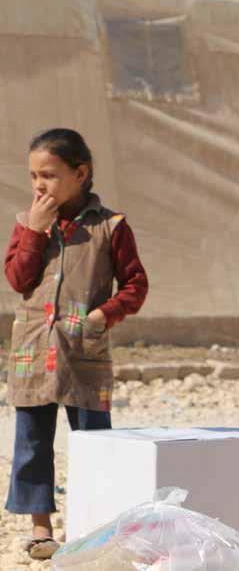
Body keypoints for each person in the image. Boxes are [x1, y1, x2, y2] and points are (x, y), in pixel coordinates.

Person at [4, 129, 148, 560]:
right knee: (32, 442)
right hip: (33, 352)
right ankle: (41, 529)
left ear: (80, 174)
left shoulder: (111, 226)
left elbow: (136, 284)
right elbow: (18, 279)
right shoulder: (28, 223)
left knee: (94, 440)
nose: (39, 186)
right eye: (33, 176)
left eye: (48, 175)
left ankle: (96, 527)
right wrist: (34, 232)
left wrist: (105, 314)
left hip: (83, 353)